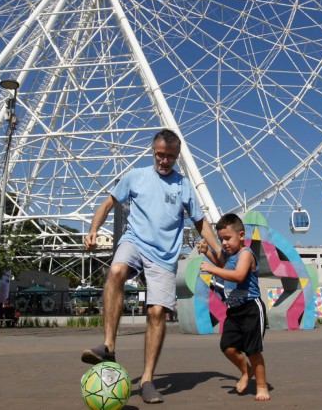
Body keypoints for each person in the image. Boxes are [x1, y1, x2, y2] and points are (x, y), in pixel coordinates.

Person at [81, 129, 222, 404]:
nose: (164, 161)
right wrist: (93, 229)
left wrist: (217, 248)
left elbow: (200, 221)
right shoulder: (135, 176)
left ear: (177, 157)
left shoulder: (183, 186)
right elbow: (108, 203)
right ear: (152, 151)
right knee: (116, 271)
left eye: (170, 156)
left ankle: (147, 379)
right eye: (160, 155)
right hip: (135, 240)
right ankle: (109, 345)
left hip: (164, 255)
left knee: (157, 312)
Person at [199, 213, 270, 401]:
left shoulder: (246, 254)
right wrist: (207, 252)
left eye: (227, 238)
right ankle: (246, 371)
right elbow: (222, 264)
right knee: (227, 347)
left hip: (251, 309)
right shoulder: (230, 256)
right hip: (234, 311)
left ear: (241, 235)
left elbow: (238, 275)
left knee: (253, 351)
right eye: (221, 239)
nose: (224, 243)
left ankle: (262, 386)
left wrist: (212, 269)